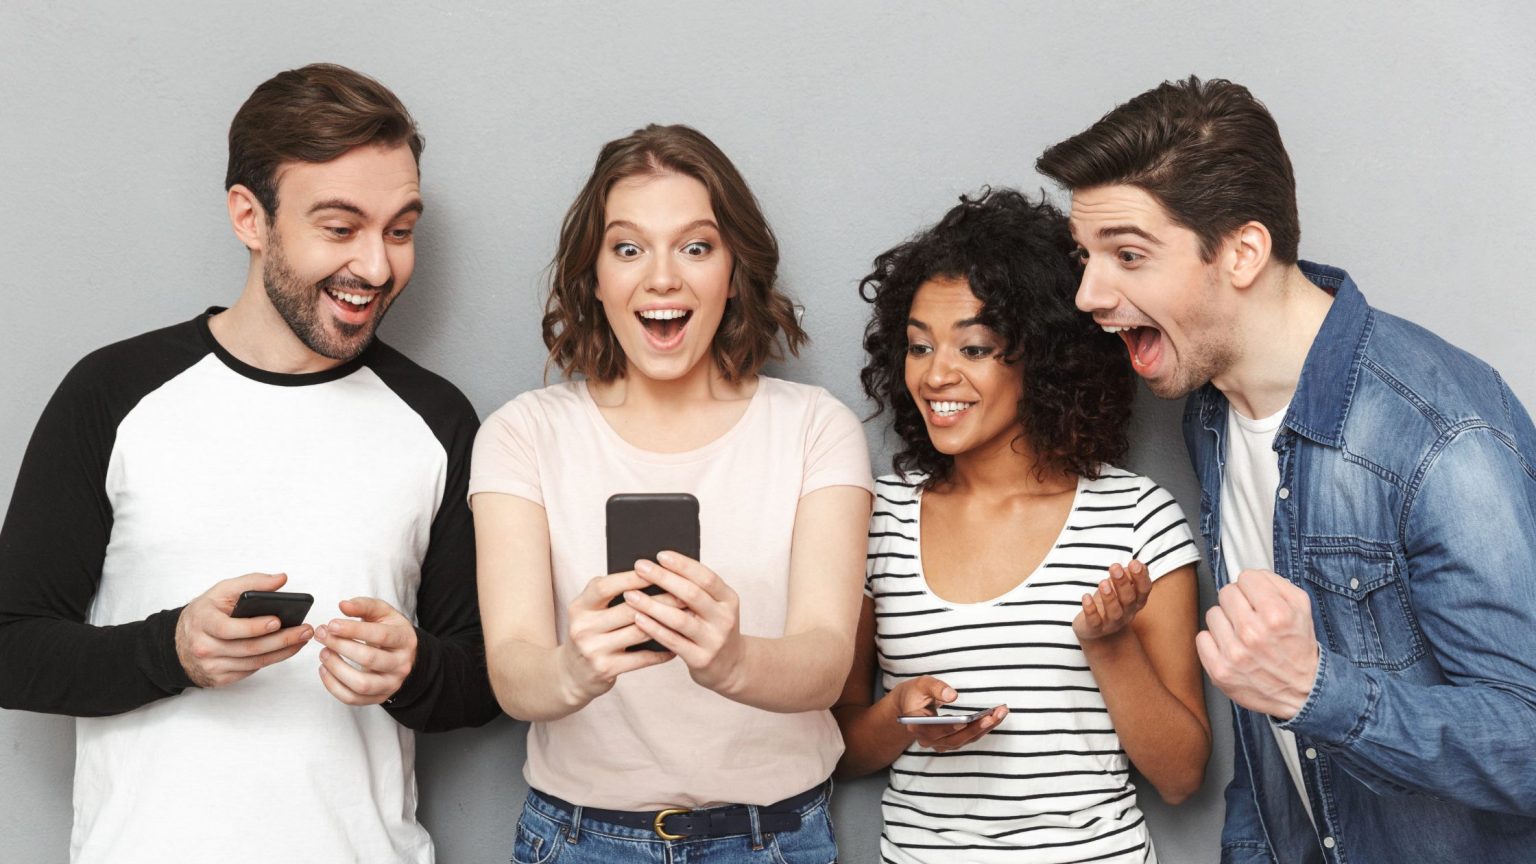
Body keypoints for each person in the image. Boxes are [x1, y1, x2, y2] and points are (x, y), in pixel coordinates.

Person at [0, 63, 500, 863]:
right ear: (249, 216)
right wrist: (171, 652)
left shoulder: (438, 421)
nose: (376, 268)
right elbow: (10, 648)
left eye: (400, 230)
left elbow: (484, 678)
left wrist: (413, 669)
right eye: (339, 228)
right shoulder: (112, 392)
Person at [1036, 75, 1536, 864]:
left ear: (1242, 251)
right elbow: (1268, 737)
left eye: (1127, 254)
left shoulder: (1443, 436)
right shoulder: (1212, 410)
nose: (1090, 293)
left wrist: (1318, 692)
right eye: (1085, 256)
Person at [470, 123, 873, 863]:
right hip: (578, 840)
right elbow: (512, 670)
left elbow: (825, 658)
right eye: (628, 248)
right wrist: (571, 670)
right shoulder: (522, 434)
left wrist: (734, 661)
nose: (662, 278)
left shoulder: (817, 428)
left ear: (734, 269)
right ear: (594, 275)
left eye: (695, 246)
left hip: (774, 840)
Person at [833, 188, 1210, 863]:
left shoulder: (1135, 519)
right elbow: (836, 752)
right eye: (919, 347)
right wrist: (900, 720)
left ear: (1042, 358)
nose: (937, 375)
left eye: (974, 349)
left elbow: (1181, 778)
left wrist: (1109, 643)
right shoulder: (875, 518)